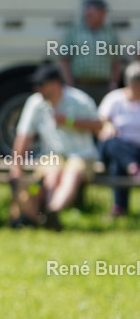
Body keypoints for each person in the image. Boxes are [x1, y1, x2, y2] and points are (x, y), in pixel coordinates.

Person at [10, 64, 102, 229]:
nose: (36, 88)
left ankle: (53, 210)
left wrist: (69, 121)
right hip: (52, 154)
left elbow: (98, 126)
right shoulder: (35, 102)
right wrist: (16, 165)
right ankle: (49, 216)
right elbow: (24, 136)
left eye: (40, 84)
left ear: (55, 83)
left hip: (82, 153)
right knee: (52, 175)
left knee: (72, 174)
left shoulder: (80, 99)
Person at [59, 0, 124, 105]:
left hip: (103, 86)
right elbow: (65, 60)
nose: (103, 15)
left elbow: (116, 61)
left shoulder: (110, 33)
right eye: (100, 11)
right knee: (81, 118)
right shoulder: (74, 31)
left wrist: (113, 83)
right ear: (89, 12)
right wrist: (70, 84)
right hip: (81, 85)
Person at [97, 61, 140, 216]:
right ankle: (133, 168)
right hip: (115, 146)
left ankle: (119, 208)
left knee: (118, 164)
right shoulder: (114, 98)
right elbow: (101, 120)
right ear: (132, 84)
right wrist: (108, 125)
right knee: (112, 142)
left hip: (136, 151)